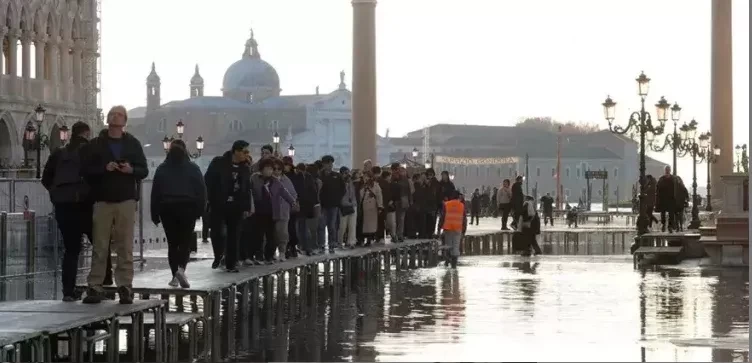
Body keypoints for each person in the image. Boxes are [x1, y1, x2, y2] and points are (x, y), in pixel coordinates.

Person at [82, 105, 148, 305]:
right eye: (112, 114)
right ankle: (94, 286)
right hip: (103, 200)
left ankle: (125, 286)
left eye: (119, 114)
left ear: (124, 120)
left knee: (124, 246)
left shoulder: (133, 143)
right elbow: (86, 170)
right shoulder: (96, 144)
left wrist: (130, 170)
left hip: (126, 199)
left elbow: (143, 170)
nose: (115, 116)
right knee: (100, 245)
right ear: (108, 119)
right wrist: (104, 168)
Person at [42, 121, 111, 301]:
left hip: (64, 206)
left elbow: (45, 178)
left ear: (72, 134)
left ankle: (68, 292)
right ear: (87, 134)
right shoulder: (91, 151)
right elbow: (100, 177)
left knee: (71, 249)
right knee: (100, 245)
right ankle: (104, 284)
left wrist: (57, 193)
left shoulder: (59, 153)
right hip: (87, 205)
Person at [150, 139, 206, 288]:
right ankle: (181, 269)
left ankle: (175, 275)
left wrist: (154, 213)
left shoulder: (162, 168)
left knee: (172, 244)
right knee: (185, 242)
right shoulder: (193, 168)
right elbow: (201, 190)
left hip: (167, 209)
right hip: (187, 208)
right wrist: (201, 209)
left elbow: (155, 192)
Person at [204, 140, 253, 272]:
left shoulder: (245, 168)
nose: (247, 155)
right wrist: (210, 198)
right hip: (219, 203)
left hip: (236, 205)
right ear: (236, 151)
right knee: (217, 232)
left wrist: (247, 207)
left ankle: (231, 263)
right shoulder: (218, 163)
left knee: (234, 235)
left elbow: (247, 188)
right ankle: (219, 256)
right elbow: (207, 181)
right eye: (245, 152)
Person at [250, 158, 296, 264]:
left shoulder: (275, 181)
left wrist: (292, 202)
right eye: (267, 169)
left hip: (272, 212)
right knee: (259, 235)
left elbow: (284, 192)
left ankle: (269, 256)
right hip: (259, 211)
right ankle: (259, 256)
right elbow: (250, 191)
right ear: (262, 169)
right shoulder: (255, 178)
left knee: (271, 235)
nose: (270, 171)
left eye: (271, 169)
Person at [271, 158, 298, 262]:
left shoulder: (286, 180)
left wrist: (290, 202)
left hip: (283, 211)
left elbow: (293, 194)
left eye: (279, 169)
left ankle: (282, 252)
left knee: (283, 233)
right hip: (271, 211)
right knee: (272, 234)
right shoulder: (268, 180)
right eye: (274, 169)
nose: (277, 171)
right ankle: (271, 252)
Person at [319, 155, 345, 252]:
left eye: (331, 164)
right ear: (323, 164)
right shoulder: (319, 175)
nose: (330, 166)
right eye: (328, 164)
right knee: (321, 225)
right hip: (322, 205)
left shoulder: (337, 176)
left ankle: (332, 244)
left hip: (333, 205)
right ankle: (321, 244)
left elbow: (343, 189)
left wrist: (338, 199)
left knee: (332, 226)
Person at [439, 190, 468, 269]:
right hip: (458, 228)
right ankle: (454, 265)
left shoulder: (446, 204)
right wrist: (464, 230)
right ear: (458, 197)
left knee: (448, 245)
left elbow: (442, 217)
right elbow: (464, 218)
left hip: (448, 228)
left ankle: (447, 262)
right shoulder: (461, 205)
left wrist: (439, 228)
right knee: (456, 246)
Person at [359, 171, 383, 246]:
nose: (365, 178)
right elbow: (360, 196)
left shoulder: (375, 185)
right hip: (364, 207)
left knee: (371, 225)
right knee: (364, 224)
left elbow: (379, 196)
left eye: (367, 176)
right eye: (364, 176)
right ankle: (364, 239)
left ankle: (369, 239)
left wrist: (380, 206)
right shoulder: (363, 185)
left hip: (372, 207)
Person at [338, 166, 358, 248]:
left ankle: (351, 242)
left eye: (348, 173)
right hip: (343, 206)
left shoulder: (351, 182)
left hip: (352, 205)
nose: (347, 175)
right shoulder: (339, 182)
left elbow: (352, 193)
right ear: (341, 174)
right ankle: (339, 242)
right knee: (342, 226)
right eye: (345, 173)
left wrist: (353, 203)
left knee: (352, 225)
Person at [655, 166, 676, 232]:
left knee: (670, 213)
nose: (667, 170)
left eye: (668, 169)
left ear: (669, 170)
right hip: (664, 199)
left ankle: (669, 226)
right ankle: (664, 225)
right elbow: (657, 189)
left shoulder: (673, 178)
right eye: (667, 169)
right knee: (663, 213)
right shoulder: (662, 178)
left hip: (670, 198)